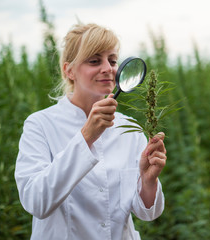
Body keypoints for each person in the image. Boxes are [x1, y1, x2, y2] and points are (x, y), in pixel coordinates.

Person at [14, 23, 166, 240]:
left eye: (113, 61)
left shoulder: (130, 129)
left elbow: (146, 212)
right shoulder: (40, 125)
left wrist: (148, 181)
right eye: (94, 61)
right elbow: (36, 201)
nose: (108, 68)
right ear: (69, 70)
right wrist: (87, 136)